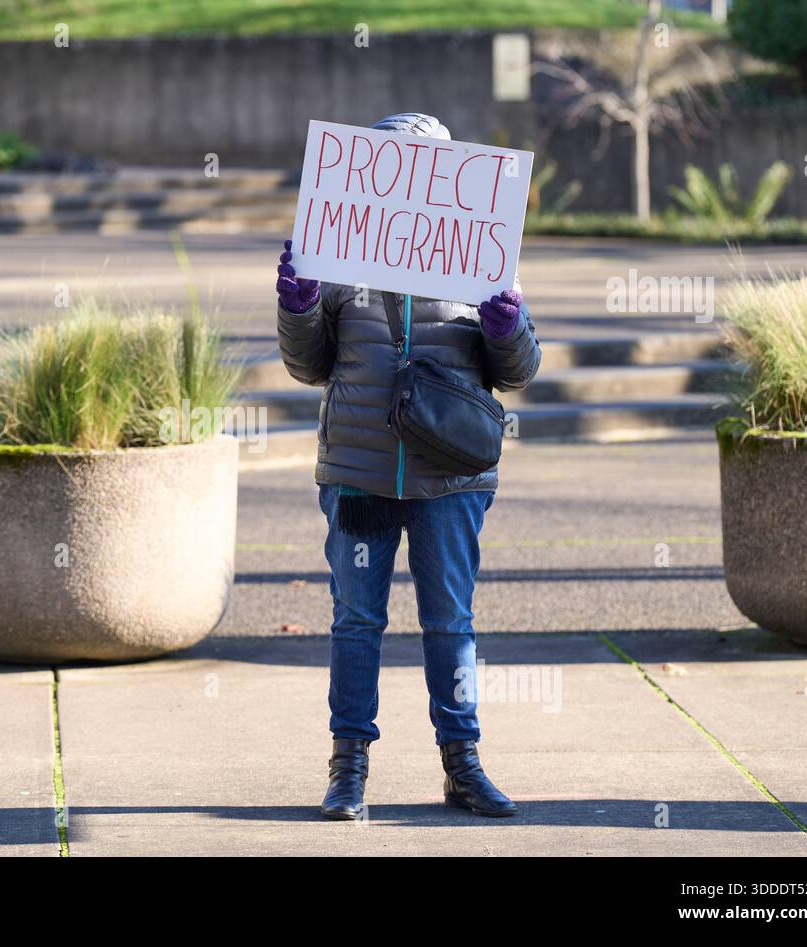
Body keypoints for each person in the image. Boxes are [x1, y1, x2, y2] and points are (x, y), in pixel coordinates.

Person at [274, 112, 542, 821]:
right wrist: (297, 305)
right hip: (360, 469)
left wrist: (506, 324)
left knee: (450, 620)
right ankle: (348, 770)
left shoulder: (479, 256)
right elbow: (307, 365)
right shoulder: (336, 257)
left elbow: (518, 370)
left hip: (450, 476)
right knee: (356, 622)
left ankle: (464, 766)